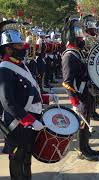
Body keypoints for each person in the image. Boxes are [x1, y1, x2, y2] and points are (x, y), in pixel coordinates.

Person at [0, 20, 57, 180]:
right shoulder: (4, 69)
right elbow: (7, 101)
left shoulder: (21, 65)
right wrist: (28, 120)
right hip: (18, 123)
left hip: (31, 120)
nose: (23, 48)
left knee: (27, 157)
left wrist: (46, 98)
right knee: (17, 159)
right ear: (8, 49)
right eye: (18, 46)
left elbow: (30, 91)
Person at [61, 17, 99, 161]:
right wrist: (74, 102)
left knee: (87, 122)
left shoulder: (77, 53)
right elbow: (67, 83)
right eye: (80, 37)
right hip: (79, 96)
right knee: (82, 124)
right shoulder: (69, 56)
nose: (83, 39)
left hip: (86, 93)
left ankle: (86, 147)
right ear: (73, 39)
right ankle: (82, 150)